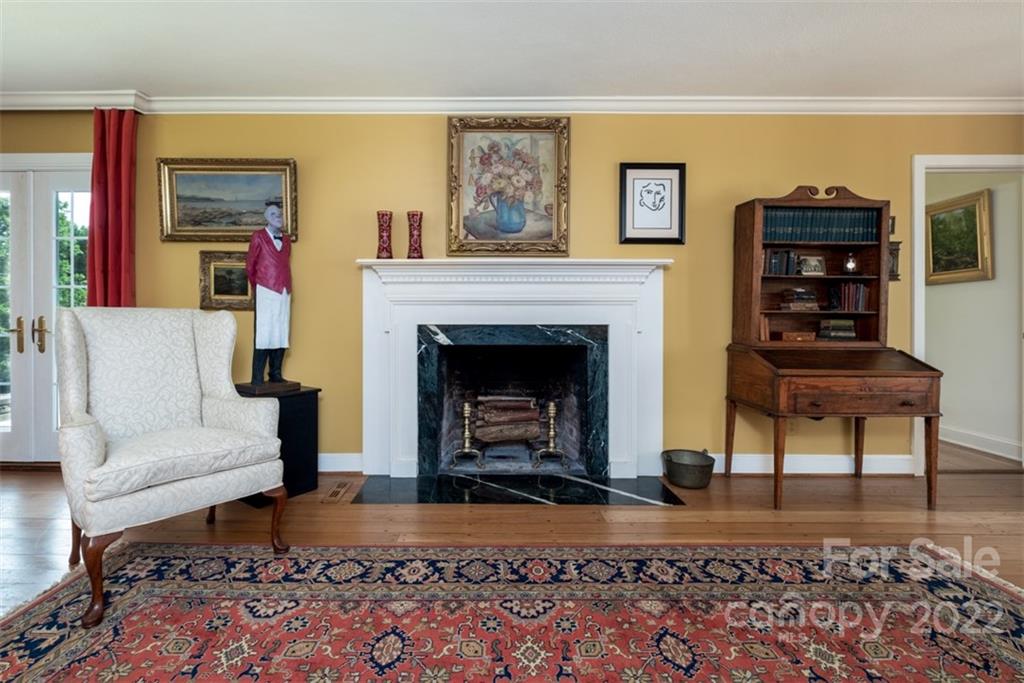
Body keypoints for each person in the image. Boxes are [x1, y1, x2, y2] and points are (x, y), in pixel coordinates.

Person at [245, 203, 292, 384]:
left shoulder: (286, 240)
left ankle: (275, 373)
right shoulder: (258, 237)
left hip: (284, 289)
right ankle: (257, 377)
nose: (278, 216)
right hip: (265, 288)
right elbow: (250, 265)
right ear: (266, 217)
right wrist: (257, 287)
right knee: (264, 333)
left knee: (281, 331)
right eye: (273, 214)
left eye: (279, 213)